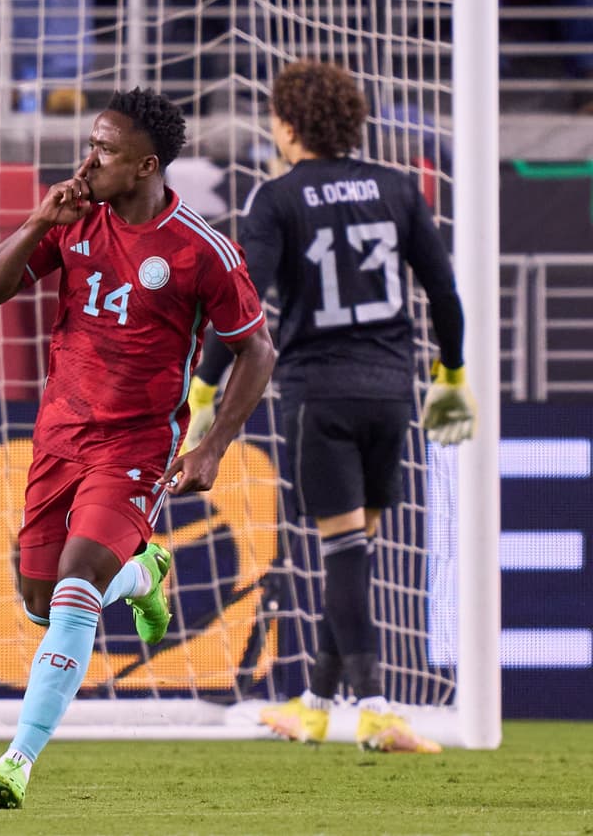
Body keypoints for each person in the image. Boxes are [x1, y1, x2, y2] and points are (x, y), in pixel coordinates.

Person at [0, 87, 276, 808]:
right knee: (42, 604)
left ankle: (17, 758)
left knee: (76, 586)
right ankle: (144, 576)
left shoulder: (202, 250)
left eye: (103, 150)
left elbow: (256, 351)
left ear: (144, 166)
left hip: (136, 448)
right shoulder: (73, 221)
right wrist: (40, 219)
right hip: (57, 439)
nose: (88, 160)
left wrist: (210, 447)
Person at [183, 60, 475, 754]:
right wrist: (452, 374)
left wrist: (203, 388)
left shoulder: (277, 199)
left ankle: (375, 709)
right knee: (353, 553)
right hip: (389, 391)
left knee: (343, 551)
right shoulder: (398, 187)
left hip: (321, 393)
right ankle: (315, 703)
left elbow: (241, 306)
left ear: (286, 126)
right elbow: (443, 292)